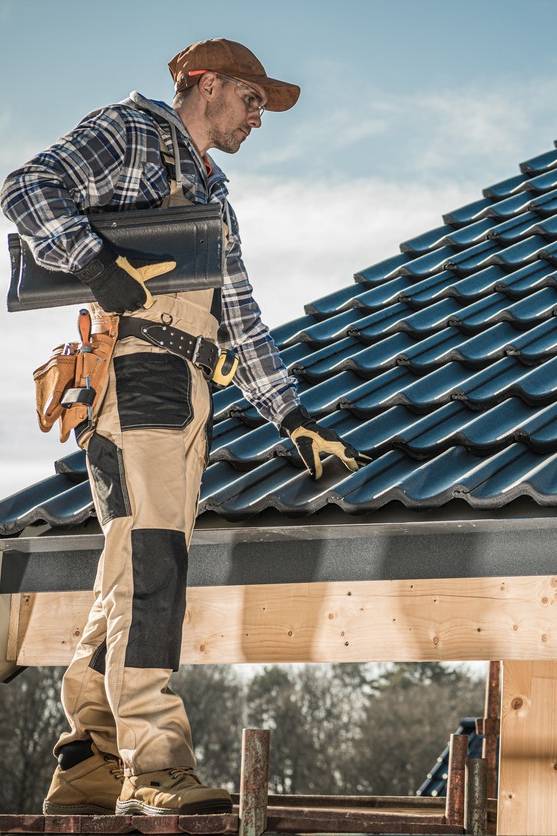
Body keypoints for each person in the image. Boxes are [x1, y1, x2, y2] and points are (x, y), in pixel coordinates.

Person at [1, 38, 366, 817]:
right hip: (137, 376)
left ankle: (91, 757)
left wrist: (292, 417)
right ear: (204, 85)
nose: (258, 118)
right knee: (155, 566)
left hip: (187, 385)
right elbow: (26, 188)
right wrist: (95, 264)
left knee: (128, 572)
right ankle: (155, 765)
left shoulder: (213, 194)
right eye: (252, 100)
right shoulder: (131, 133)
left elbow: (240, 315)